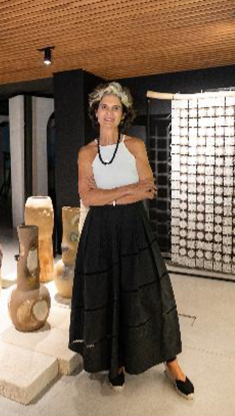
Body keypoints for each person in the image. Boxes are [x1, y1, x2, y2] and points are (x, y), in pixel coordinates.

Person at [69, 81, 193, 399]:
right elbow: (87, 196)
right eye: (104, 107)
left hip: (135, 229)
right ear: (96, 112)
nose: (109, 113)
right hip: (99, 233)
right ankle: (117, 361)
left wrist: (108, 195)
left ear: (123, 114)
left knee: (151, 295)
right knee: (108, 293)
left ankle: (172, 363)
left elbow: (148, 189)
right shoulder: (86, 153)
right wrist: (127, 189)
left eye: (116, 107)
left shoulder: (135, 146)